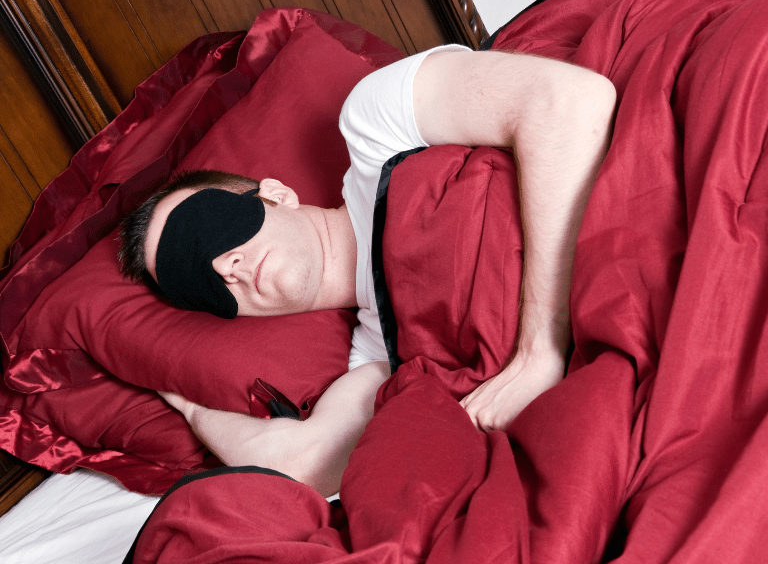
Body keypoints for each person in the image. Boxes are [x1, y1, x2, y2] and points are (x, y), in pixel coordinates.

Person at [118, 45, 616, 497]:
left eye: (209, 232)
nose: (224, 265)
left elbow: (569, 100)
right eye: (197, 282)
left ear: (275, 195)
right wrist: (189, 407)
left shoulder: (377, 127)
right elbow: (300, 465)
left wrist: (539, 352)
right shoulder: (378, 359)